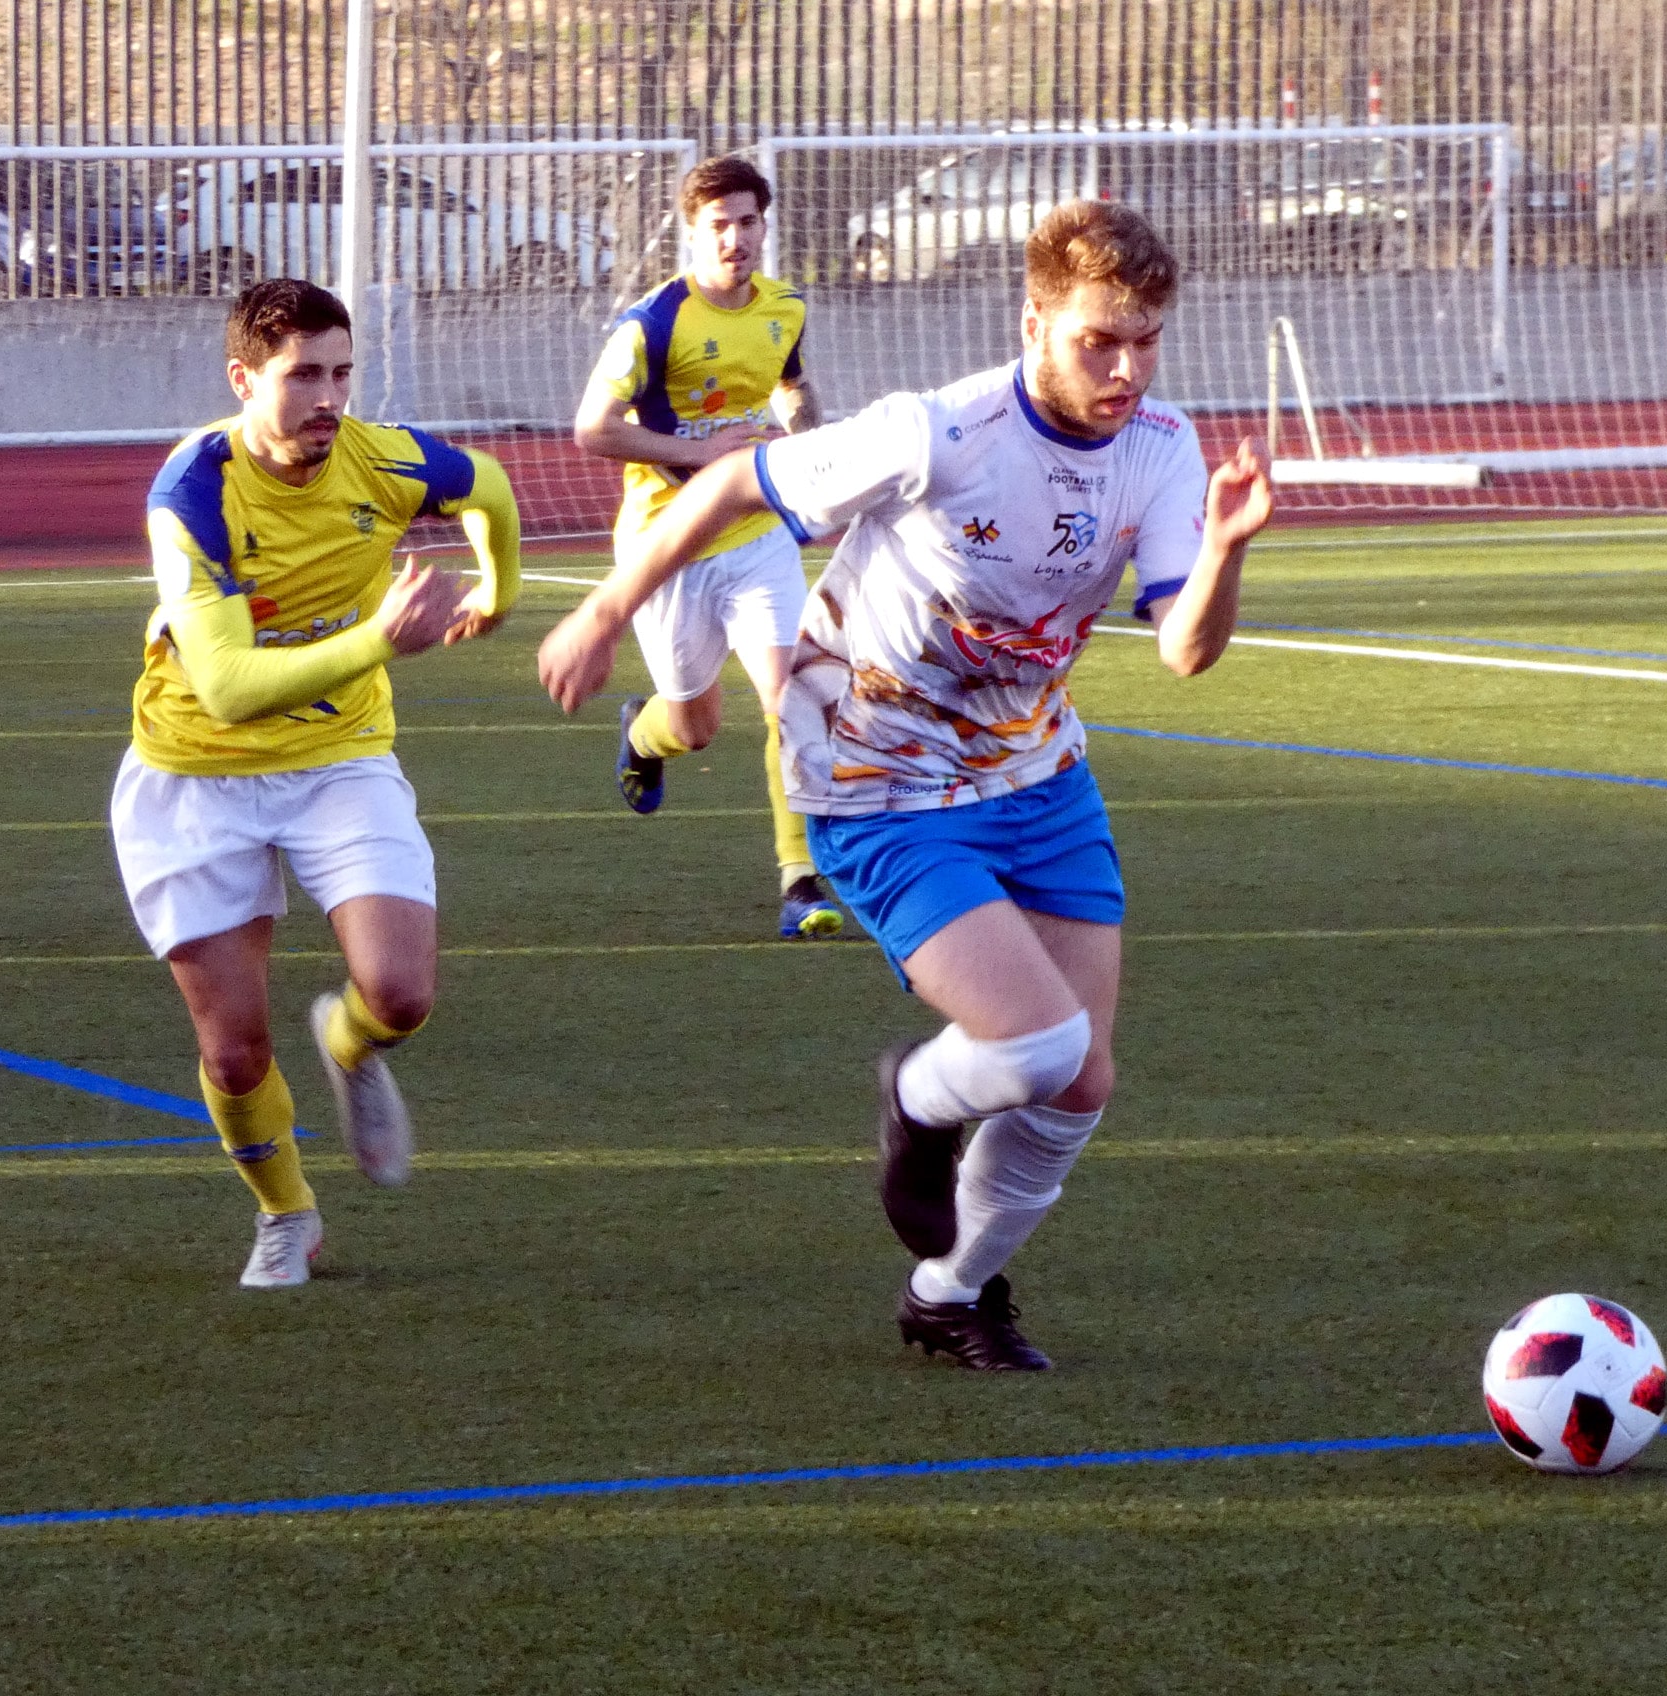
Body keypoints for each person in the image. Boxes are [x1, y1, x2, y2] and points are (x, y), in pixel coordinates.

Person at [539, 199, 1275, 1369]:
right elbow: (732, 489)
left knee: (1079, 1081)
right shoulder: (936, 430)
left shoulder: (1162, 448)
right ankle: (918, 1097)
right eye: (1099, 340)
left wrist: (1227, 549)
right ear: (1034, 318)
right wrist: (600, 609)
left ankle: (949, 1293)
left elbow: (1184, 649)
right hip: (873, 774)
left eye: (1145, 341)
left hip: (1037, 772)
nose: (1126, 368)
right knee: (1034, 1047)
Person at [111, 278, 521, 1290]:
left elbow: (492, 490)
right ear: (244, 378)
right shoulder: (192, 494)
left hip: (339, 759)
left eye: (342, 372)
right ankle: (286, 1211)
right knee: (236, 1050)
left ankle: (348, 1041)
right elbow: (230, 685)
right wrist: (377, 637)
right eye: (303, 376)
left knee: (400, 990)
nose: (328, 397)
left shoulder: (382, 459)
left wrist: (498, 596)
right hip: (193, 775)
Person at [571, 154, 842, 940]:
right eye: (718, 226)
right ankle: (640, 733)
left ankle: (799, 882)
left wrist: (811, 442)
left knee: (790, 694)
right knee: (694, 727)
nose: (735, 239)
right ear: (692, 233)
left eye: (748, 222)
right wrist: (706, 454)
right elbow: (593, 428)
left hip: (757, 536)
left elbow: (789, 383)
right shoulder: (652, 322)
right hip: (667, 549)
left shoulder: (784, 307)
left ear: (764, 225)